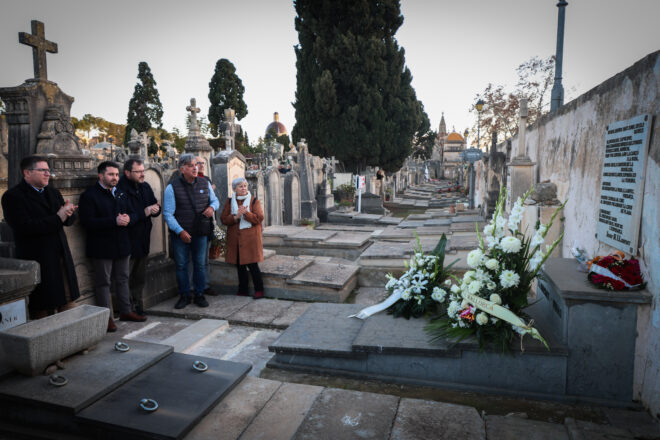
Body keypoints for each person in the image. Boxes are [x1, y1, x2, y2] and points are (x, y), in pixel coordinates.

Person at [1, 156, 80, 319]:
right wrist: (59, 217)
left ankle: (73, 340)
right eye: (42, 170)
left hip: (60, 256)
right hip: (38, 258)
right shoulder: (13, 196)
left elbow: (67, 221)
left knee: (68, 301)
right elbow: (25, 226)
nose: (47, 174)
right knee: (41, 308)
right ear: (27, 173)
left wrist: (69, 213)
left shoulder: (53, 192)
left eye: (48, 170)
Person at [79, 161, 146, 332]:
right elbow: (87, 222)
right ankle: (106, 317)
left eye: (117, 175)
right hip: (102, 246)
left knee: (123, 279)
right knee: (103, 283)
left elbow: (134, 213)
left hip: (123, 243)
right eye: (111, 174)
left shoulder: (121, 193)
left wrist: (130, 219)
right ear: (101, 176)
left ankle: (126, 311)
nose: (115, 178)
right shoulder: (90, 195)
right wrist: (113, 221)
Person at [163, 154, 219, 309]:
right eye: (190, 166)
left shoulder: (204, 183)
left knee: (200, 264)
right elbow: (168, 213)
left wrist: (211, 207)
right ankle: (185, 295)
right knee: (181, 265)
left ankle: (199, 294)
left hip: (200, 232)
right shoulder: (172, 187)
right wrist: (180, 231)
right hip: (181, 233)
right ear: (182, 169)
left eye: (195, 165)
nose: (195, 168)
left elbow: (215, 200)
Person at [117, 159, 161, 315]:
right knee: (125, 276)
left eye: (143, 171)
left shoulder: (145, 187)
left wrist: (156, 209)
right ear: (128, 173)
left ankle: (137, 303)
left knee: (139, 277)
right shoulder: (119, 190)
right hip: (127, 239)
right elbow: (125, 216)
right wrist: (145, 212)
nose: (143, 174)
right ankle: (126, 307)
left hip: (143, 238)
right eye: (139, 172)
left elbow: (153, 205)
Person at [221, 177, 265, 299]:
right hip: (235, 239)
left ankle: (259, 290)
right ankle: (243, 289)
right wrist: (235, 217)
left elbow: (259, 218)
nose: (244, 188)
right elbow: (224, 219)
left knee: (253, 266)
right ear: (234, 189)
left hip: (250, 239)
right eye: (241, 186)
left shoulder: (253, 200)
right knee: (239, 266)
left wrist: (246, 213)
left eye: (245, 186)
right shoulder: (230, 201)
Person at [191, 156, 218, 297]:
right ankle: (192, 287)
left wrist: (212, 207)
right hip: (190, 226)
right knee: (192, 259)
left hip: (206, 225)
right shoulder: (183, 180)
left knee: (205, 259)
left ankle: (205, 285)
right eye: (197, 163)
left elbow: (214, 201)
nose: (200, 165)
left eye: (202, 163)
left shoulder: (206, 180)